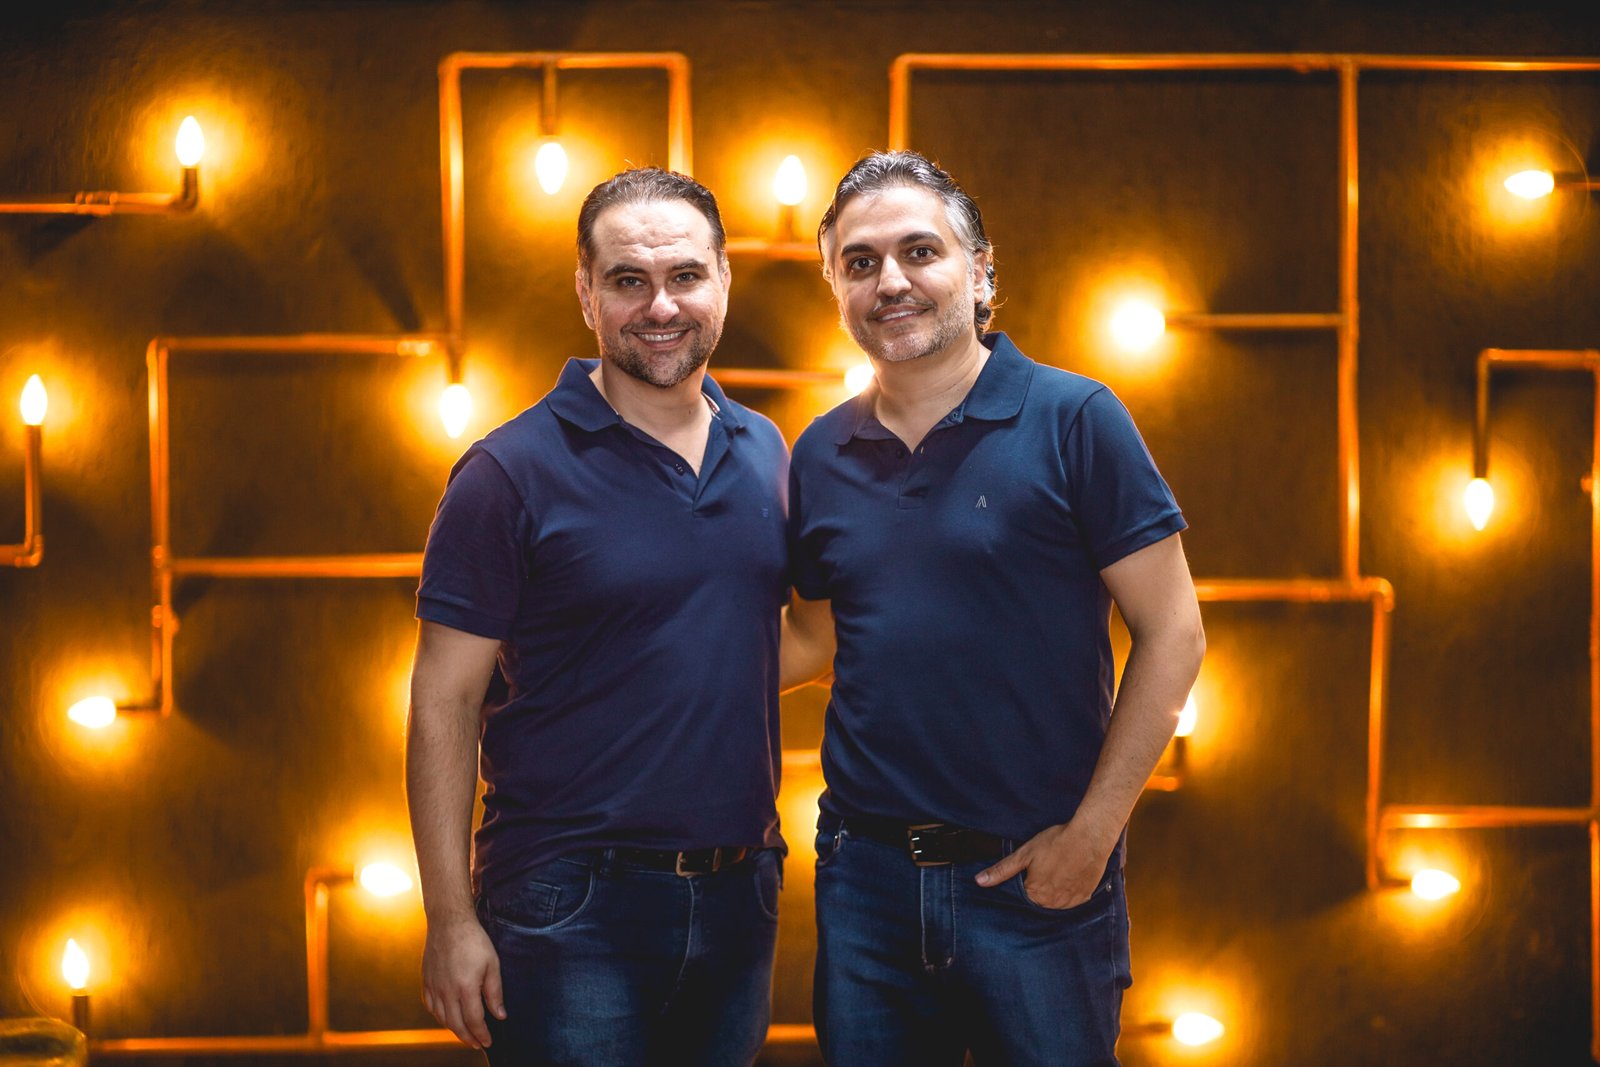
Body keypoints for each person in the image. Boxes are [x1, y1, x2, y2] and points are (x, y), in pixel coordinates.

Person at [782, 150, 1205, 1066]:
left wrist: (1093, 834)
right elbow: (814, 636)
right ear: (837, 291)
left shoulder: (1076, 417)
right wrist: (634, 661)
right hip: (865, 881)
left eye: (919, 251)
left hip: (1037, 877)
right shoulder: (818, 453)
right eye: (860, 263)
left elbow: (1174, 630)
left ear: (979, 273)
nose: (890, 281)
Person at [406, 167, 789, 1067]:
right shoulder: (506, 474)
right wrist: (449, 918)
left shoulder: (766, 449)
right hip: (569, 901)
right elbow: (443, 702)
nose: (661, 305)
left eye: (685, 275)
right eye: (628, 280)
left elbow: (757, 640)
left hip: (740, 894)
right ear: (586, 293)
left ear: (724, 281)